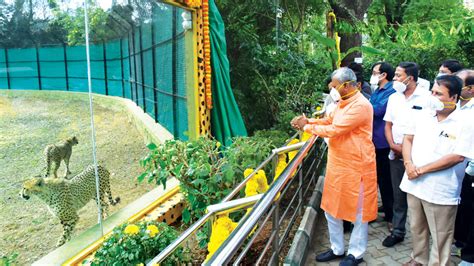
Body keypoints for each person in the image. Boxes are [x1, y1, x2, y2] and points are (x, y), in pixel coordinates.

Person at [291, 67, 377, 266]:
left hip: (357, 166)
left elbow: (336, 129)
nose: (332, 88)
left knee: (358, 212)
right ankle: (337, 248)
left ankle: (356, 253)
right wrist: (308, 120)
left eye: (335, 85)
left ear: (347, 85)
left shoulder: (361, 105)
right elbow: (330, 120)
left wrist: (306, 127)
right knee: (331, 209)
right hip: (338, 163)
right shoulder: (342, 102)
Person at [400, 75, 468, 266]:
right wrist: (408, 164)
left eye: (439, 94)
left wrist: (420, 170)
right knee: (416, 227)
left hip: (440, 189)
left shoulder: (465, 122)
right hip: (414, 183)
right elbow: (408, 139)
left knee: (441, 235)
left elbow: (457, 156)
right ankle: (418, 259)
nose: (433, 96)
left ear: (453, 97)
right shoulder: (423, 113)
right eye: (432, 91)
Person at [382, 62, 431, 247]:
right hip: (395, 155)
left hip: (418, 157)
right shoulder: (394, 98)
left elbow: (431, 127)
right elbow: (388, 124)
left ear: (410, 78)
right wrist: (393, 145)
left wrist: (407, 149)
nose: (394, 79)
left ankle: (423, 239)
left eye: (398, 75)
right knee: (398, 196)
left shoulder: (426, 97)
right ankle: (398, 231)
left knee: (420, 200)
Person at [369, 62, 396, 231]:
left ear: (383, 74)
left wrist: (359, 105)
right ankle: (385, 208)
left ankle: (392, 217)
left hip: (384, 142)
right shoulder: (378, 91)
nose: (372, 75)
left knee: (386, 181)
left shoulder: (391, 92)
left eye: (374, 72)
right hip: (374, 141)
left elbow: (377, 111)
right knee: (377, 179)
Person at [452, 69, 474, 262]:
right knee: (462, 208)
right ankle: (459, 241)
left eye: (459, 82)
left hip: (468, 167)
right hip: (452, 167)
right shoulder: (453, 104)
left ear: (471, 89)